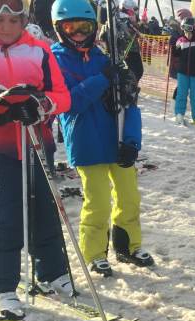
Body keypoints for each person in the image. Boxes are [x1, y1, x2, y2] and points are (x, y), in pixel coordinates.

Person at [51, 0, 154, 277]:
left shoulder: (106, 58)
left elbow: (129, 104)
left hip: (116, 139)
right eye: (70, 28)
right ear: (59, 29)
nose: (78, 34)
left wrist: (131, 141)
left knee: (129, 197)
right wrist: (101, 79)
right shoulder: (56, 60)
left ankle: (128, 246)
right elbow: (70, 103)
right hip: (86, 142)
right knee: (97, 202)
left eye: (84, 27)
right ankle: (95, 253)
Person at [0, 0, 73, 319]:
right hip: (1, 150)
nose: (6, 27)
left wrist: (40, 103)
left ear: (23, 20)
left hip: (37, 143)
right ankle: (4, 286)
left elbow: (63, 97)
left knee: (45, 208)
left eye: (13, 21)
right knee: (7, 216)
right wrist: (4, 112)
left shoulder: (40, 50)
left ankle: (52, 272)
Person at [172, 16, 195, 127]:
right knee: (181, 94)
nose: (187, 33)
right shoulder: (181, 41)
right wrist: (173, 46)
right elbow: (175, 55)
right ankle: (179, 114)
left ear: (194, 29)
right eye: (185, 29)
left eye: (189, 29)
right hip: (182, 73)